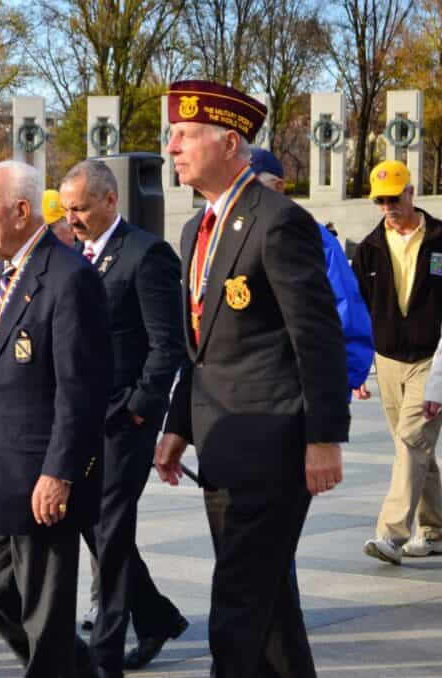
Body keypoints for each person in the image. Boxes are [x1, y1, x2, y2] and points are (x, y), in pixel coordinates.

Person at [155, 80, 349, 677]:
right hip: (222, 445)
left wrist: (323, 438)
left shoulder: (278, 222)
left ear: (230, 141)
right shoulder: (197, 230)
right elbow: (202, 348)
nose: (172, 149)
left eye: (184, 136)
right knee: (269, 609)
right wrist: (178, 426)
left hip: (273, 447)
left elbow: (315, 337)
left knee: (237, 610)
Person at [0, 159, 112, 677]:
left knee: (44, 613)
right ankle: (79, 668)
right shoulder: (2, 272)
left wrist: (60, 473)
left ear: (22, 211)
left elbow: (82, 389)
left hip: (40, 477)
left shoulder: (70, 279)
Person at [60, 159, 189, 674]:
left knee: (110, 532)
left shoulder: (146, 254)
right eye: (67, 209)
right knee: (93, 524)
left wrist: (139, 410)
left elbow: (167, 344)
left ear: (111, 201)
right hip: (81, 418)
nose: (72, 218)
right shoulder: (77, 255)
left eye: (81, 208)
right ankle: (156, 616)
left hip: (123, 422)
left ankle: (105, 655)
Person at [353, 159, 442, 564]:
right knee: (414, 449)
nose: (387, 206)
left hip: (432, 357)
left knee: (410, 442)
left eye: (394, 197)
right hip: (387, 359)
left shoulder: (440, 238)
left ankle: (390, 534)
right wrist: (357, 368)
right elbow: (357, 309)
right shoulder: (370, 248)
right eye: (380, 200)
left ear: (411, 192)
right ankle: (436, 528)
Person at [250, 149, 374, 395]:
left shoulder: (315, 238)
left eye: (252, 187)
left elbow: (346, 305)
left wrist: (346, 377)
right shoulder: (223, 236)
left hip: (303, 384)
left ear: (278, 186)